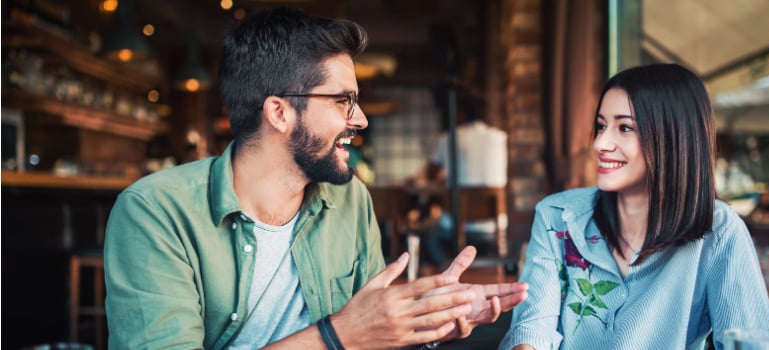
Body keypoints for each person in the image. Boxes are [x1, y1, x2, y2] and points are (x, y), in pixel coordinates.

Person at [104, 8, 528, 349]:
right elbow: (352, 332)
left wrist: (423, 325)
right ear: (279, 113)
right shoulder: (156, 211)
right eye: (343, 101)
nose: (359, 119)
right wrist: (338, 335)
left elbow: (369, 334)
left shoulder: (350, 200)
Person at [500, 64, 769, 349]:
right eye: (601, 126)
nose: (600, 144)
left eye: (625, 127)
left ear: (673, 138)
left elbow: (750, 342)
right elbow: (532, 329)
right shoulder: (557, 216)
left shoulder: (718, 230)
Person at [412, 93, 508, 267]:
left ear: (460, 113)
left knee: (428, 236)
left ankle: (448, 272)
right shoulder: (500, 138)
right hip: (494, 225)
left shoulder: (449, 138)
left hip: (456, 226)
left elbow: (430, 173)